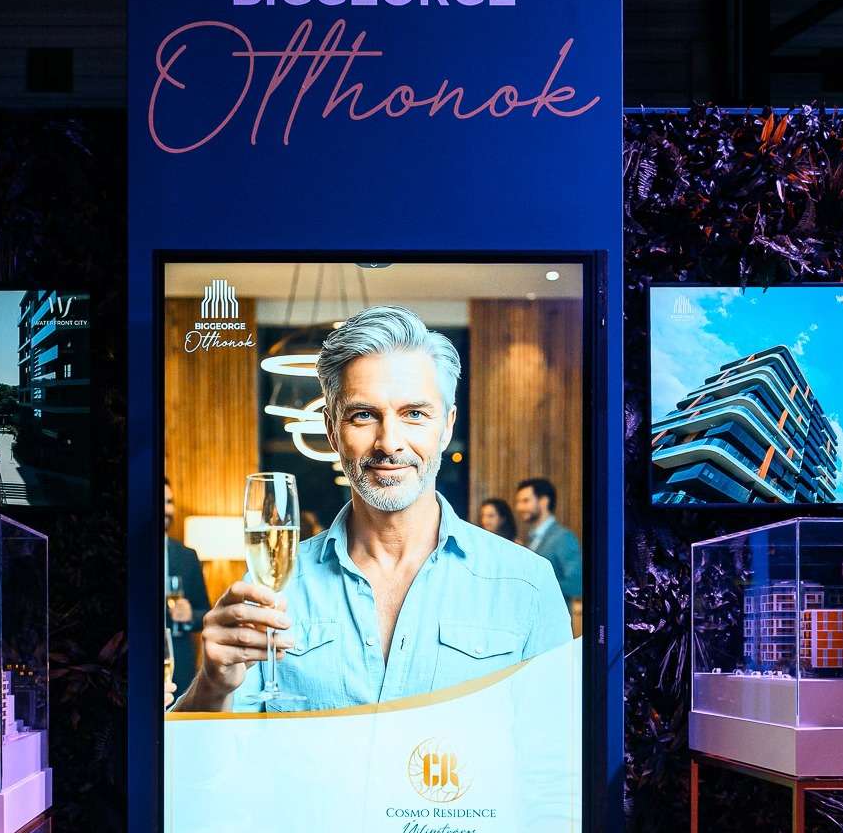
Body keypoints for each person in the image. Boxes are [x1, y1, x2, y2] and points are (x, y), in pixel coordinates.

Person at [174, 305, 570, 713]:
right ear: (332, 429)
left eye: (414, 414)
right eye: (363, 415)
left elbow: (557, 744)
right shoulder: (275, 589)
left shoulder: (527, 583)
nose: (389, 442)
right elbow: (210, 750)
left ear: (447, 426)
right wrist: (212, 685)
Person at [163, 477, 211, 694]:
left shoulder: (187, 556)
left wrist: (190, 615)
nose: (166, 509)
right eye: (161, 501)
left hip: (179, 662)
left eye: (169, 502)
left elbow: (205, 613)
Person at [514, 477, 582, 608]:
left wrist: (535, 584)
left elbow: (577, 584)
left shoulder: (563, 537)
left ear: (544, 502)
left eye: (525, 501)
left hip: (553, 618)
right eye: (518, 502)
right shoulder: (531, 539)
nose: (519, 507)